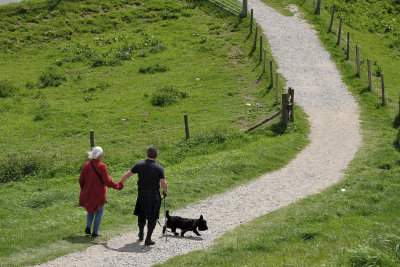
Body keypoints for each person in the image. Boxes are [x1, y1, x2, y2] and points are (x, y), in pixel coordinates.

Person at [119, 145, 168, 246]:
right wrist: (165, 191)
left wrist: (120, 183)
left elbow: (127, 174)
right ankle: (148, 239)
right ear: (156, 155)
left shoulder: (139, 165)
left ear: (147, 154)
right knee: (152, 218)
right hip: (153, 196)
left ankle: (141, 233)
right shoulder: (159, 168)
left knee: (141, 215)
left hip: (141, 195)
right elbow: (163, 183)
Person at [79, 146, 124, 237]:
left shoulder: (86, 165)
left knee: (90, 210)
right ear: (100, 155)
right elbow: (107, 182)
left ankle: (88, 226)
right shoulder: (102, 166)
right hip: (99, 194)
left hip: (88, 192)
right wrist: (117, 186)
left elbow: (81, 180)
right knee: (99, 212)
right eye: (102, 155)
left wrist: (84, 189)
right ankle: (95, 232)